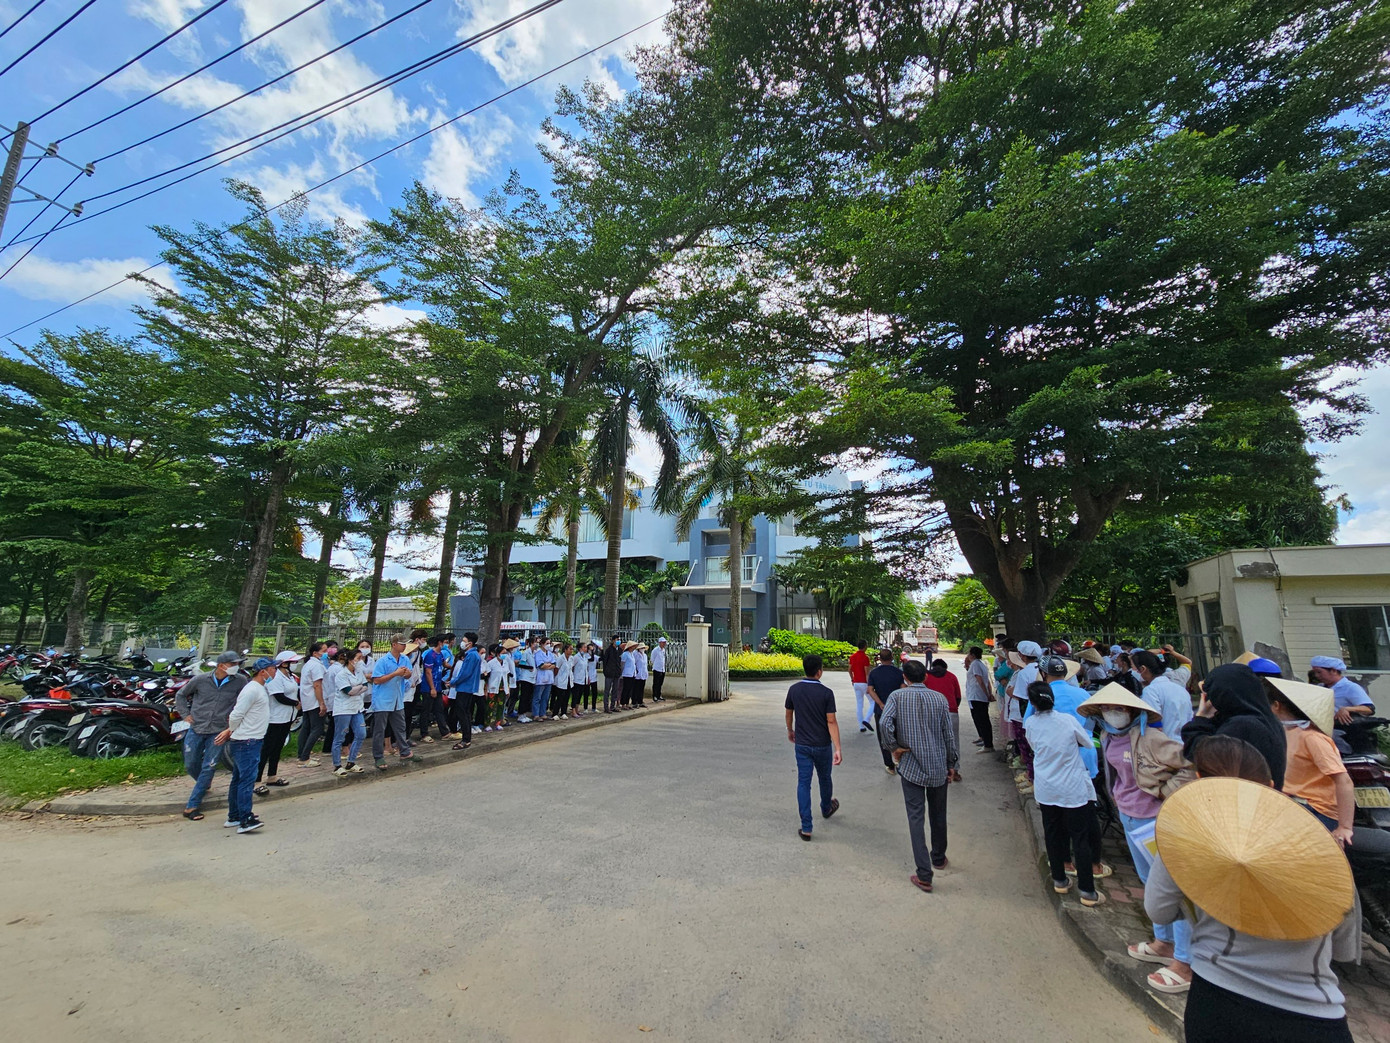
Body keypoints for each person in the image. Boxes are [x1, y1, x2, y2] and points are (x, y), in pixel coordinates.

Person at [1144, 772, 1359, 1043]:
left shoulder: (1188, 841)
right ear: (1272, 786)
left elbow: (1159, 910)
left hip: (1215, 997)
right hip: (1312, 1013)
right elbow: (1343, 951)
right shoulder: (1327, 860)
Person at [1079, 684, 1195, 994]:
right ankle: (1163, 942)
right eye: (1106, 709)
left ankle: (1185, 961)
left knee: (1173, 890)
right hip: (1130, 820)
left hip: (1156, 820)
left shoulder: (1152, 739)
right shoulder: (1108, 738)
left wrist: (1164, 791)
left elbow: (1190, 765)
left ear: (1132, 712)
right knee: (1149, 883)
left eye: (1118, 709)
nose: (1112, 714)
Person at [1024, 680, 1105, 907]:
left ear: (1032, 703)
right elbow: (1088, 743)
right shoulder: (1067, 720)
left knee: (1052, 833)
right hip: (1072, 788)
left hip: (1047, 787)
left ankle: (1059, 880)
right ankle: (1087, 891)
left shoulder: (1030, 723)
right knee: (1080, 837)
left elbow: (1034, 746)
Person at [881, 659, 959, 892]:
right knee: (938, 813)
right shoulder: (939, 699)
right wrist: (952, 762)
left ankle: (924, 874)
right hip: (938, 765)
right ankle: (939, 857)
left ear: (904, 677)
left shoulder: (896, 697)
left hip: (911, 765)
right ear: (925, 676)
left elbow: (884, 723)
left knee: (915, 817)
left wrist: (894, 747)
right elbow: (948, 734)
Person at [1181, 663, 1287, 789]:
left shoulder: (1240, 726)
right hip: (1265, 795)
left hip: (1240, 796)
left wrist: (1201, 718)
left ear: (1221, 694)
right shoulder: (1268, 719)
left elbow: (1203, 754)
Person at [175, 650, 248, 821]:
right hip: (197, 727)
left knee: (210, 765)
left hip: (219, 730)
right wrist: (185, 714)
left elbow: (243, 702)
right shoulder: (201, 679)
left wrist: (233, 724)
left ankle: (192, 805)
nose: (236, 667)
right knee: (190, 763)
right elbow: (181, 695)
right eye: (232, 664)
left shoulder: (240, 681)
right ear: (221, 666)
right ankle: (204, 782)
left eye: (237, 664)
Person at [784, 653, 842, 841]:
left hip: (802, 744)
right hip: (822, 744)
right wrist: (837, 748)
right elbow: (831, 721)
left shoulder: (794, 690)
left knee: (803, 783)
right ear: (819, 671)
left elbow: (789, 713)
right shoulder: (826, 693)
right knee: (825, 778)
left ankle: (806, 827)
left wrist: (790, 730)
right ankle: (826, 807)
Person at [217, 656, 274, 833]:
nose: (275, 672)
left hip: (249, 739)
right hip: (247, 741)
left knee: (239, 779)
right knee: (246, 781)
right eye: (272, 669)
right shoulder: (252, 690)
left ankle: (234, 815)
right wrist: (231, 730)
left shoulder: (259, 688)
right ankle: (245, 819)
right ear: (263, 672)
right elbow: (236, 715)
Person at [255, 650, 300, 795]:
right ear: (284, 664)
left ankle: (272, 776)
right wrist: (296, 703)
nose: (295, 664)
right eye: (293, 662)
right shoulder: (275, 677)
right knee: (266, 749)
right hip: (275, 718)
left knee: (278, 747)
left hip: (287, 717)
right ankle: (256, 780)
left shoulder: (290, 676)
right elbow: (279, 697)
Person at [369, 634, 415, 770]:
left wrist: (406, 673)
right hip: (383, 700)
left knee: (400, 727)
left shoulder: (405, 659)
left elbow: (409, 675)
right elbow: (377, 680)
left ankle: (405, 752)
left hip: (397, 699)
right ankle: (378, 756)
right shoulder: (383, 661)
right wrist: (395, 673)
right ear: (394, 644)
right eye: (402, 644)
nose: (404, 646)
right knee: (380, 730)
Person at [1131, 650, 1194, 740]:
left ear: (1142, 669)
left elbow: (1155, 726)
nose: (1134, 672)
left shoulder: (1151, 691)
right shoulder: (1180, 689)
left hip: (1165, 743)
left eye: (1135, 669)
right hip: (1186, 742)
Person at [328, 647, 368, 776]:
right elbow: (348, 691)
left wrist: (357, 688)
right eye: (358, 658)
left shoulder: (359, 673)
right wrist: (358, 688)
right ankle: (337, 765)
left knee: (361, 733)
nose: (361, 661)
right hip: (343, 709)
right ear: (351, 660)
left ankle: (351, 762)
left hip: (357, 707)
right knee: (340, 737)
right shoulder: (342, 675)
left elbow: (365, 686)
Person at [1310, 655, 1375, 727]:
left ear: (1333, 671)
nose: (1316, 675)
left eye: (1319, 672)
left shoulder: (1350, 687)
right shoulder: (1320, 687)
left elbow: (1369, 709)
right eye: (1315, 673)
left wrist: (1347, 709)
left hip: (1343, 728)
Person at [867, 650, 904, 773]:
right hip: (896, 710)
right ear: (892, 657)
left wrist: (880, 703)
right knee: (898, 735)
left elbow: (870, 690)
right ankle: (900, 760)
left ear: (880, 658)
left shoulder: (874, 673)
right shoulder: (899, 672)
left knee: (883, 737)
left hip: (880, 710)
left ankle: (889, 765)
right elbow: (903, 688)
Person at [296, 640, 329, 765]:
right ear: (315, 653)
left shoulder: (309, 664)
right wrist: (321, 703)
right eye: (324, 651)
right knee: (317, 728)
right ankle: (305, 757)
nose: (326, 653)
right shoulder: (316, 666)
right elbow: (317, 685)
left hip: (307, 700)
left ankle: (302, 754)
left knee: (306, 727)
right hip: (314, 700)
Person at [415, 634, 450, 743]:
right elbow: (428, 672)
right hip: (429, 688)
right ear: (440, 643)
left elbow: (445, 664)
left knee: (439, 709)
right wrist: (432, 688)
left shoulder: (440, 654)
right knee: (426, 710)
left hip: (438, 686)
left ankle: (444, 732)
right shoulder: (430, 655)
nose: (446, 645)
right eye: (445, 642)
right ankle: (424, 734)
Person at [450, 633, 481, 748]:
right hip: (468, 687)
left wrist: (453, 681)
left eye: (464, 640)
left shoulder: (471, 655)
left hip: (465, 687)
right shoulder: (474, 654)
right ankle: (466, 738)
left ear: (470, 643)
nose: (462, 643)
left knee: (462, 713)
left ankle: (465, 739)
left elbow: (465, 673)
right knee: (466, 713)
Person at [924, 658, 962, 751]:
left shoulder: (926, 677)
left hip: (931, 712)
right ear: (945, 667)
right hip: (951, 711)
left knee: (932, 741)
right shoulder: (952, 676)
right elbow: (958, 697)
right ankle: (954, 760)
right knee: (953, 741)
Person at [963, 646, 995, 752]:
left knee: (982, 720)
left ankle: (988, 745)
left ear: (972, 655)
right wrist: (988, 693)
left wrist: (987, 694)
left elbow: (980, 681)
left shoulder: (975, 664)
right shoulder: (981, 664)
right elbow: (987, 681)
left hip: (977, 696)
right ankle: (985, 740)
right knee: (982, 720)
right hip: (978, 696)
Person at [993, 639, 1015, 749]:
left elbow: (997, 674)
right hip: (1009, 694)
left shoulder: (1008, 663)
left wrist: (1001, 677)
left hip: (1009, 695)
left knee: (1008, 718)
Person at [849, 639, 873, 733]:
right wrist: (869, 685)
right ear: (865, 646)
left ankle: (861, 726)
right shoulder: (865, 658)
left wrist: (852, 679)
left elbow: (849, 669)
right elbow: (867, 673)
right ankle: (867, 719)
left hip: (856, 682)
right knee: (873, 702)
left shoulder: (852, 656)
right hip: (864, 682)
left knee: (859, 704)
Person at [532, 637, 557, 721]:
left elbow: (554, 664)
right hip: (541, 678)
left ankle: (542, 713)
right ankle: (536, 714)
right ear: (542, 644)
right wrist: (549, 664)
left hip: (549, 678)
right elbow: (541, 666)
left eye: (549, 643)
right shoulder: (538, 654)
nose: (549, 645)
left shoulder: (550, 654)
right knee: (537, 697)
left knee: (545, 697)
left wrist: (547, 665)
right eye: (547, 643)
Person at [512, 637, 536, 721]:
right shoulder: (526, 652)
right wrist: (529, 667)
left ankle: (524, 714)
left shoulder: (534, 653)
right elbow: (521, 664)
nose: (536, 644)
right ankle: (521, 715)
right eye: (534, 643)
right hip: (525, 678)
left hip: (531, 678)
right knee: (524, 697)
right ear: (530, 644)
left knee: (528, 697)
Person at [551, 641, 573, 720]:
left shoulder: (571, 658)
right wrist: (557, 677)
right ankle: (555, 713)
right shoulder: (561, 658)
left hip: (568, 680)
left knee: (566, 697)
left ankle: (563, 712)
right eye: (570, 649)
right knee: (560, 697)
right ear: (565, 650)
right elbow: (556, 668)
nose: (571, 651)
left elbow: (571, 668)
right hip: (561, 680)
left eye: (572, 649)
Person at [602, 635, 623, 713]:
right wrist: (606, 671)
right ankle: (606, 707)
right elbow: (605, 661)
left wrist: (619, 671)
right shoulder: (609, 650)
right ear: (613, 640)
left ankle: (612, 706)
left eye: (619, 639)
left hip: (616, 673)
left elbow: (620, 662)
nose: (619, 641)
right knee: (607, 690)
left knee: (615, 690)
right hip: (609, 673)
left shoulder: (620, 650)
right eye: (617, 639)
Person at [568, 644, 588, 717]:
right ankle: (573, 711)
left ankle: (577, 709)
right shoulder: (576, 657)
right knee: (575, 696)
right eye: (584, 647)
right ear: (580, 648)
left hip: (583, 679)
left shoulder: (585, 657)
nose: (586, 648)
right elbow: (572, 666)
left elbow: (586, 669)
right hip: (576, 679)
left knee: (579, 696)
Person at [620, 641, 637, 708]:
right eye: (633, 646)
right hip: (626, 674)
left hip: (632, 674)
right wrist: (621, 672)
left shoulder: (632, 654)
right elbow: (622, 664)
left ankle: (627, 703)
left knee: (630, 689)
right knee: (626, 689)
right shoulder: (625, 654)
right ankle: (623, 703)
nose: (634, 648)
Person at [651, 636, 668, 701]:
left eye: (664, 643)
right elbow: (652, 659)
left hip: (662, 669)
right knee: (656, 683)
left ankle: (659, 695)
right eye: (663, 642)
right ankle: (655, 695)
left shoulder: (663, 650)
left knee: (660, 683)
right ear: (660, 643)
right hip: (656, 669)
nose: (664, 644)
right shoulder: (655, 650)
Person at [633, 643, 649, 707]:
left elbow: (645, 665)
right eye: (641, 648)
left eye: (643, 648)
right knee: (636, 688)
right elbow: (634, 663)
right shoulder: (636, 654)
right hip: (637, 674)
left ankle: (640, 701)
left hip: (643, 673)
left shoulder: (645, 655)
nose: (642, 649)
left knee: (641, 688)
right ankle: (635, 701)